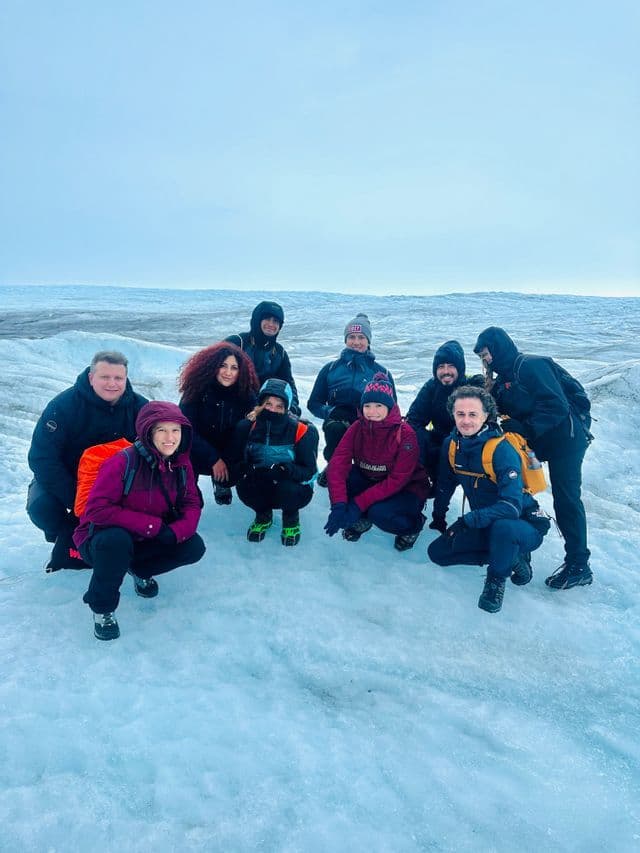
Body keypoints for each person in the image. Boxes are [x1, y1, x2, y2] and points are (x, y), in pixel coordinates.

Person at [73, 401, 206, 640]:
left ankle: (140, 569)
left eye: (175, 430)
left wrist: (176, 532)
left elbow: (191, 503)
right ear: (148, 432)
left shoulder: (181, 464)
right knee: (116, 541)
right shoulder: (122, 462)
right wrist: (151, 526)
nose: (170, 438)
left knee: (193, 546)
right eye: (161, 430)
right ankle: (102, 608)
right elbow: (96, 510)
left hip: (148, 536)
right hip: (104, 539)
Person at [473, 327, 593, 590]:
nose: (486, 360)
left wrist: (524, 426)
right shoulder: (504, 378)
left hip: (566, 441)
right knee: (517, 489)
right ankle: (521, 549)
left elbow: (556, 406)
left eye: (486, 353)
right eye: (482, 357)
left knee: (566, 498)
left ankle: (579, 565)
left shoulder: (531, 366)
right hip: (537, 445)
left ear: (499, 347)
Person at [428, 386, 549, 613]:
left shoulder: (501, 450)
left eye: (473, 414)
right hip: (487, 524)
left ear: (486, 416)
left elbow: (511, 507)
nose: (466, 421)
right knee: (438, 553)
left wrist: (467, 520)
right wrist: (438, 516)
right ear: (452, 414)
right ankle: (510, 557)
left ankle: (496, 581)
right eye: (460, 414)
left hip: (523, 524)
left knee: (504, 529)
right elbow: (445, 484)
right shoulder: (452, 445)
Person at [27, 351, 148, 571]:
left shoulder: (141, 408)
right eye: (105, 377)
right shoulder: (63, 407)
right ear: (91, 377)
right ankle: (66, 538)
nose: (112, 383)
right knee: (41, 507)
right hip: (69, 481)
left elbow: (158, 450)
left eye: (118, 378)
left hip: (120, 485)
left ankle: (128, 548)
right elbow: (42, 458)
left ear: (126, 379)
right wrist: (77, 499)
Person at [324, 373, 429, 551]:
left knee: (379, 513)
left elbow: (397, 480)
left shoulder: (405, 434)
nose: (372, 412)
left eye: (379, 405)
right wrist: (339, 505)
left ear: (390, 407)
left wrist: (358, 504)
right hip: (371, 478)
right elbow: (337, 465)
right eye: (367, 405)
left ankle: (413, 526)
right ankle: (363, 518)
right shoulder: (357, 427)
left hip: (405, 488)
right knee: (346, 481)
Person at [227, 378, 318, 546]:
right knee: (246, 486)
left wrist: (288, 470)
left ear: (287, 408)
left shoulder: (302, 431)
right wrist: (247, 469)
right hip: (261, 481)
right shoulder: (246, 427)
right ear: (261, 403)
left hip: (291, 485)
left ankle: (291, 517)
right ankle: (263, 515)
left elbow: (311, 473)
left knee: (288, 489)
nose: (273, 410)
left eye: (279, 406)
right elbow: (234, 463)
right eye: (268, 404)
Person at [307, 313, 395, 486]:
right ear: (345, 339)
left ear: (368, 341)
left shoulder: (382, 373)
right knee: (336, 428)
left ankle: (373, 474)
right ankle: (334, 467)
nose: (356, 342)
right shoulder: (330, 369)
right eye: (352, 337)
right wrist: (331, 411)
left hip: (370, 424)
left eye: (361, 337)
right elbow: (313, 404)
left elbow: (393, 409)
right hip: (337, 424)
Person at [178, 342, 259, 506]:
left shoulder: (246, 394)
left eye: (234, 367)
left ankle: (223, 482)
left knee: (245, 428)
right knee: (181, 448)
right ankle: (189, 495)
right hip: (199, 451)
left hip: (229, 453)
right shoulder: (196, 390)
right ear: (212, 366)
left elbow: (257, 424)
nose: (228, 372)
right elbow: (186, 429)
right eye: (223, 366)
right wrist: (213, 459)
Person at [406, 339, 483, 488]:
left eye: (451, 366)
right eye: (441, 366)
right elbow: (414, 420)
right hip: (439, 441)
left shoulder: (472, 387)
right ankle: (419, 482)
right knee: (411, 434)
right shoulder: (432, 387)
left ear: (460, 368)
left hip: (467, 444)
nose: (446, 371)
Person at [225, 300, 300, 414]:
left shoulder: (280, 353)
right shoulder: (237, 343)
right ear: (257, 320)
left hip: (263, 412)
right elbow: (211, 373)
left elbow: (288, 385)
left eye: (276, 321)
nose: (271, 324)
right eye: (267, 319)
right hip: (230, 409)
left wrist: (292, 408)